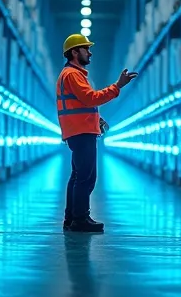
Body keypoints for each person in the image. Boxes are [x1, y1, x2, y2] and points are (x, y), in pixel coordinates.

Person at [56, 33, 137, 233]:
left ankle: (72, 218)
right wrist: (117, 86)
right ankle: (80, 219)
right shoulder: (72, 74)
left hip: (79, 129)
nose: (90, 53)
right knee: (86, 177)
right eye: (86, 49)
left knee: (77, 176)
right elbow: (91, 98)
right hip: (81, 132)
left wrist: (96, 119)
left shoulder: (74, 74)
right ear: (75, 52)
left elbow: (81, 103)